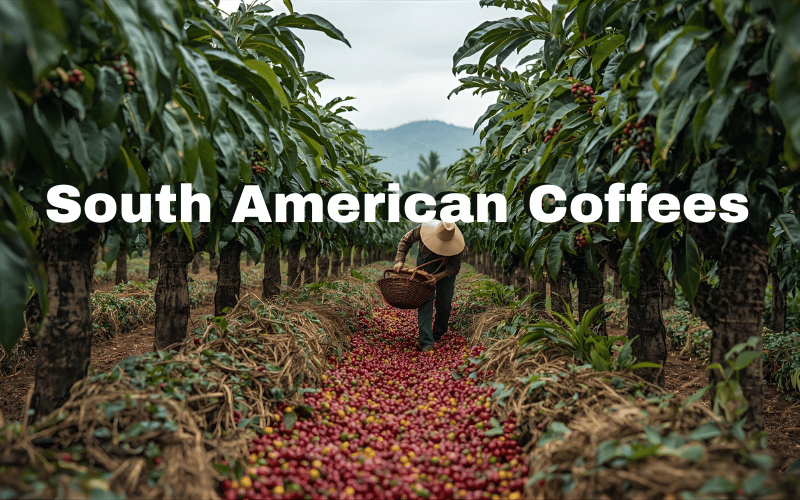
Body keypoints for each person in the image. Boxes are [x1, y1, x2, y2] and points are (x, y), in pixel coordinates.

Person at [393, 220, 466, 352]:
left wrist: (437, 277)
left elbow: (454, 268)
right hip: (427, 262)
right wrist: (400, 261)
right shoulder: (422, 230)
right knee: (426, 299)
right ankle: (426, 341)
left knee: (444, 303)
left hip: (446, 270)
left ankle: (438, 335)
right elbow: (405, 241)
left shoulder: (458, 247)